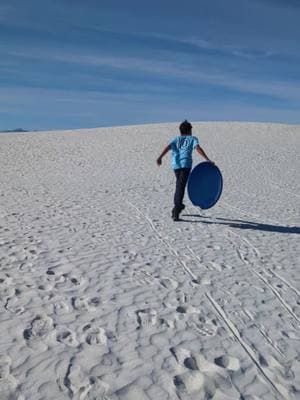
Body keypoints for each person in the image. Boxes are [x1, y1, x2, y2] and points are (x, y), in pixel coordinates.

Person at [156, 120, 214, 221]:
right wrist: (207, 159)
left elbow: (168, 147)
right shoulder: (192, 138)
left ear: (180, 131)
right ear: (190, 130)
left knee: (180, 184)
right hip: (186, 164)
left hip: (176, 165)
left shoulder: (176, 139)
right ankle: (176, 209)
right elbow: (198, 148)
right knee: (180, 186)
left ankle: (178, 205)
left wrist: (160, 157)